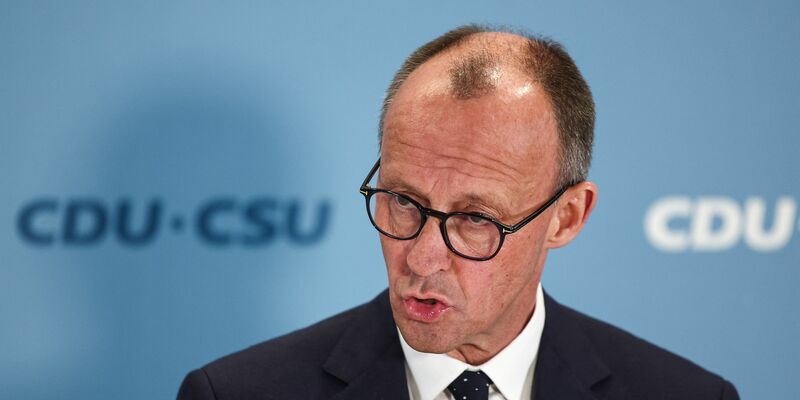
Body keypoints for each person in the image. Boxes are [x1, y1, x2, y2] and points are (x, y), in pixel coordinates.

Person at [178, 25, 739, 400]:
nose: (422, 258)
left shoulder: (684, 395)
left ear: (566, 217)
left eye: (476, 219)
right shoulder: (236, 394)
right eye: (402, 201)